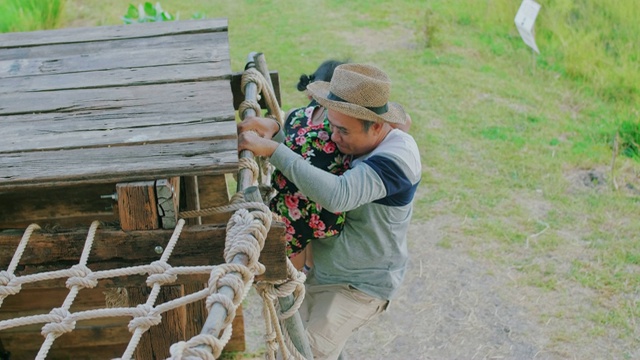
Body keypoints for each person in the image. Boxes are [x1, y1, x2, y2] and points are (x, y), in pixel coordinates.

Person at [238, 63, 421, 359]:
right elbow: (315, 163)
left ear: (376, 126)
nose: (333, 136)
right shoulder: (357, 139)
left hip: (357, 287)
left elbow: (338, 195)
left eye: (342, 130)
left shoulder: (397, 159)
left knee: (304, 352)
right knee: (293, 343)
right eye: (331, 125)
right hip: (325, 274)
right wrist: (279, 136)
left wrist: (274, 151)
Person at [271, 59, 350, 272]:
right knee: (287, 232)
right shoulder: (297, 116)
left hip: (314, 206)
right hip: (300, 202)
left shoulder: (336, 122)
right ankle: (301, 274)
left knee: (289, 243)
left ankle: (297, 279)